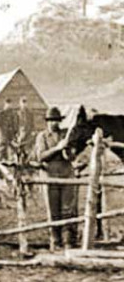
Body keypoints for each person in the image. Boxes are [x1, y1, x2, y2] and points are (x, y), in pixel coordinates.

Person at [34, 107, 78, 250]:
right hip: (50, 176)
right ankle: (55, 240)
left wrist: (66, 149)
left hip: (66, 174)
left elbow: (72, 157)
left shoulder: (66, 134)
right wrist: (57, 148)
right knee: (53, 210)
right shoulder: (42, 136)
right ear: (47, 122)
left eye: (56, 120)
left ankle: (68, 240)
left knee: (67, 209)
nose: (53, 123)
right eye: (51, 121)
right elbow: (41, 156)